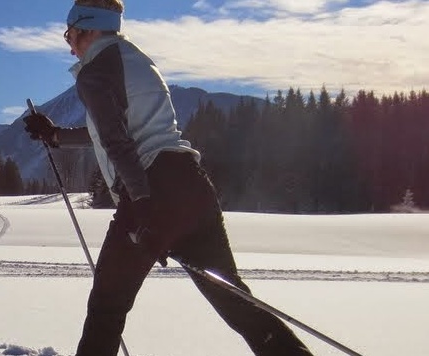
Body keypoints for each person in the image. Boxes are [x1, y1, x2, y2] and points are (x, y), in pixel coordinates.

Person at [22, 1, 313, 355]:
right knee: (234, 299)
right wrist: (57, 136)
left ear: (89, 28)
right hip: (192, 186)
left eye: (70, 34)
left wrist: (142, 206)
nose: (69, 45)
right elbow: (117, 127)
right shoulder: (139, 61)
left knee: (107, 308)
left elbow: (117, 142)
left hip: (151, 191)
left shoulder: (94, 71)